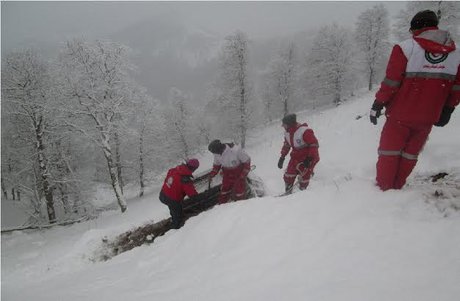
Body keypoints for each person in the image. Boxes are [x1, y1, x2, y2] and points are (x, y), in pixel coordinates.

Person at [370, 10, 460, 191]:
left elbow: (391, 82)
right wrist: (448, 109)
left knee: (389, 152)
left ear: (417, 27)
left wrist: (378, 104)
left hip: (400, 115)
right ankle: (397, 188)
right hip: (429, 117)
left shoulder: (405, 48)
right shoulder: (456, 54)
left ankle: (384, 191)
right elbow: (456, 88)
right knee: (410, 155)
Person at [277, 113, 320, 194]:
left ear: (289, 124)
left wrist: (310, 158)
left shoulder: (304, 131)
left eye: (284, 124)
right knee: (289, 174)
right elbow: (286, 145)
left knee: (304, 176)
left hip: (308, 157)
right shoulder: (287, 133)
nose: (282, 126)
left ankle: (303, 193)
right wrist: (282, 157)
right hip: (296, 156)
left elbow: (314, 144)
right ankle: (288, 191)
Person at [159, 158, 200, 229]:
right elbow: (192, 195)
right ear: (193, 169)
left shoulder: (175, 169)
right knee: (178, 216)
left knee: (174, 210)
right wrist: (199, 200)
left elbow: (168, 178)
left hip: (163, 194)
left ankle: (173, 218)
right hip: (172, 200)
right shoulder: (185, 179)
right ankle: (175, 229)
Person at [207, 139, 251, 204]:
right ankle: (222, 206)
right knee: (224, 190)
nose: (215, 154)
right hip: (227, 173)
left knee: (239, 190)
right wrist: (212, 174)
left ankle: (241, 204)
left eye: (216, 152)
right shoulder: (217, 154)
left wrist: (243, 175)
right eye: (214, 153)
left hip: (238, 172)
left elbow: (247, 161)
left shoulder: (236, 150)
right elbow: (216, 165)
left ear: (220, 148)